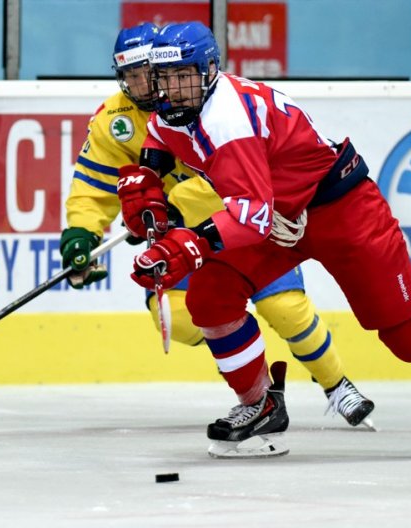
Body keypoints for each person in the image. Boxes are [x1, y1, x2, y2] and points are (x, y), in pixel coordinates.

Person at [116, 21, 411, 457]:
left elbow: (251, 217)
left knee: (410, 337)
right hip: (279, 216)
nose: (173, 90)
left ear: (210, 70)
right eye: (164, 79)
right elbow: (159, 143)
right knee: (211, 297)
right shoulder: (172, 110)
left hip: (340, 209)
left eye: (184, 76)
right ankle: (259, 406)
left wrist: (188, 243)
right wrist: (147, 189)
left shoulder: (229, 121)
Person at [59, 22, 374, 437]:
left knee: (286, 309)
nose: (142, 84)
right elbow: (93, 184)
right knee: (182, 317)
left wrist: (168, 209)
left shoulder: (211, 106)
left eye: (146, 73)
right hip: (177, 242)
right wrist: (82, 234)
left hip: (235, 224)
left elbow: (237, 184)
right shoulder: (112, 121)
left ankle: (336, 384)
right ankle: (260, 390)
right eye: (130, 75)